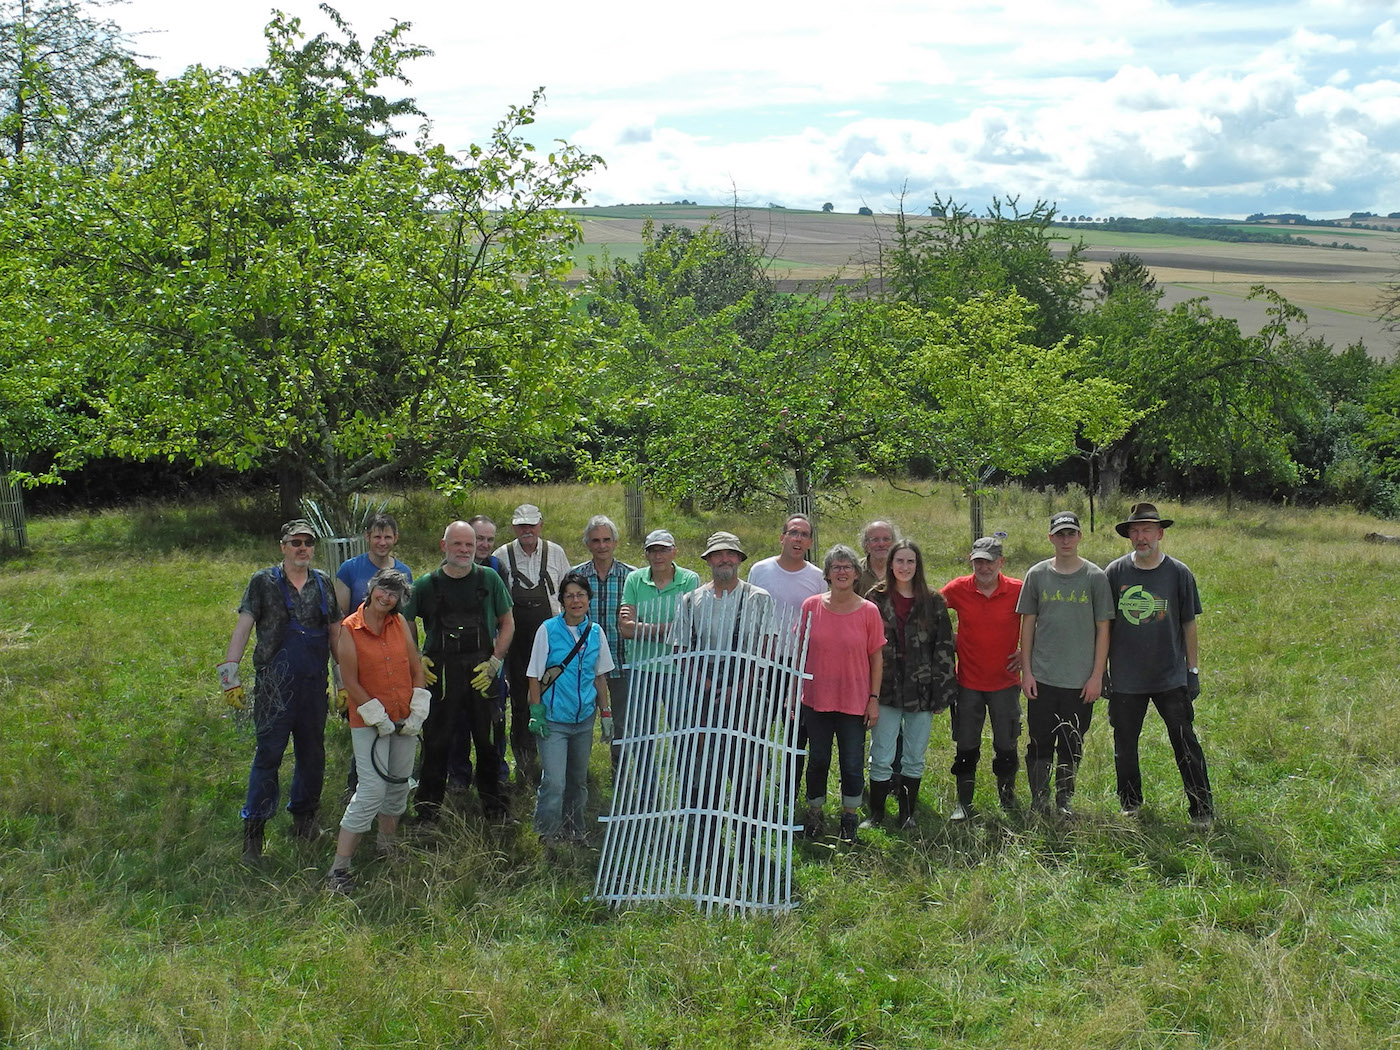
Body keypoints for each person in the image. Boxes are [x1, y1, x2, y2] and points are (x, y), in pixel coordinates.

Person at [218, 519, 342, 863]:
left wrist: (343, 682)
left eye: (308, 543)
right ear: (283, 546)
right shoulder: (263, 581)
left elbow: (336, 634)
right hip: (274, 688)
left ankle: (305, 820)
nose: (302, 548)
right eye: (295, 542)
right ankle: (253, 835)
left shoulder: (323, 583)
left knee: (312, 755)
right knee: (268, 757)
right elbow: (243, 628)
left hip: (313, 685)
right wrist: (230, 678)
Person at [1105, 503, 1214, 825]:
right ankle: (1131, 804)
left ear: (1160, 534)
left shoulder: (1179, 573)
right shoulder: (1115, 573)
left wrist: (1192, 670)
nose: (1141, 537)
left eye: (1148, 530)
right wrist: (1103, 671)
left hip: (1170, 675)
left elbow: (1189, 623)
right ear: (1129, 536)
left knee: (1185, 742)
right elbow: (1104, 624)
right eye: (1135, 531)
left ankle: (1201, 809)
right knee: (1125, 746)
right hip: (1126, 677)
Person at [326, 568, 428, 893]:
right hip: (369, 722)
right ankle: (339, 869)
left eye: (394, 593)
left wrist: (418, 708)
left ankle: (387, 846)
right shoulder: (349, 628)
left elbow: (415, 667)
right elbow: (350, 681)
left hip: (404, 719)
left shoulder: (399, 625)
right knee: (371, 791)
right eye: (383, 590)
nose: (387, 597)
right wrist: (376, 715)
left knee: (398, 785)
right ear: (371, 589)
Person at [407, 521, 515, 824]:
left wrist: (496, 661)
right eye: (458, 544)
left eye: (470, 544)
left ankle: (495, 809)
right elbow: (403, 622)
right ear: (444, 546)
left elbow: (508, 621)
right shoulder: (426, 584)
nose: (465, 550)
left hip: (482, 673)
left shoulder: (489, 579)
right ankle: (427, 813)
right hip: (440, 676)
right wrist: (416, 658)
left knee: (488, 741)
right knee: (436, 743)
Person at [1016, 512, 1113, 817]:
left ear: (1080, 536)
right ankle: (1039, 800)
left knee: (1072, 742)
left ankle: (1064, 800)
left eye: (1071, 534)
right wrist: (1027, 672)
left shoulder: (1095, 577)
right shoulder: (1037, 575)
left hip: (1080, 681)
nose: (1066, 540)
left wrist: (1097, 676)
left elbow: (1104, 630)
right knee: (1039, 742)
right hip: (1043, 677)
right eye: (1060, 535)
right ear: (1051, 538)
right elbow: (1027, 625)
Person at [863, 540, 957, 830]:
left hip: (922, 690)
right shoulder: (874, 599)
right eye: (900, 561)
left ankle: (907, 814)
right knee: (881, 755)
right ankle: (876, 815)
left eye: (910, 561)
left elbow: (944, 648)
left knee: (914, 756)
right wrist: (867, 692)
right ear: (891, 564)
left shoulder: (933, 601)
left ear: (918, 565)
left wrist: (943, 693)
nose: (905, 567)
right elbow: (865, 647)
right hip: (885, 689)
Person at [798, 544, 885, 844]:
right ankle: (815, 813)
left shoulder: (869, 611)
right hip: (816, 700)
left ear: (857, 573)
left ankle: (849, 817)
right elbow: (800, 652)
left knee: (851, 762)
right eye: (836, 567)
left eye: (847, 567)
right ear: (827, 574)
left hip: (854, 701)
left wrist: (873, 699)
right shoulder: (811, 606)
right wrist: (794, 693)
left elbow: (876, 658)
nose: (842, 572)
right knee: (818, 759)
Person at [940, 536, 1025, 819]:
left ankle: (1007, 799)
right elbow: (930, 611)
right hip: (967, 683)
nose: (984, 568)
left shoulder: (1018, 590)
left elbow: (1041, 620)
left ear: (1001, 562)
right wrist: (950, 639)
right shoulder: (958, 588)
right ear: (971, 561)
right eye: (978, 562)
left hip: (1006, 683)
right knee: (966, 745)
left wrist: (1026, 651)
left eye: (989, 562)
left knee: (1006, 744)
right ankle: (964, 803)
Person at [527, 572, 614, 846]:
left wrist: (605, 713)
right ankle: (548, 832)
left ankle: (574, 830)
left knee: (577, 780)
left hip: (584, 719)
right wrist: (537, 712)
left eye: (581, 595)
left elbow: (599, 677)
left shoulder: (596, 633)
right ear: (562, 601)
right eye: (570, 596)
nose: (576, 601)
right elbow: (534, 675)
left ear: (589, 598)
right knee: (555, 781)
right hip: (553, 719)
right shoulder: (548, 630)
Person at [493, 503, 572, 786]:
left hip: (552, 640)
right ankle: (525, 763)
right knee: (520, 701)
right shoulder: (501, 556)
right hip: (516, 642)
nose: (527, 530)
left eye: (531, 524)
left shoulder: (556, 552)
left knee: (556, 697)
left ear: (541, 525)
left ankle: (558, 760)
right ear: (514, 527)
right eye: (521, 525)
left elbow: (569, 594)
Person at [447, 513, 508, 794]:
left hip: (489, 656)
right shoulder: (446, 570)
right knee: (457, 718)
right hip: (454, 659)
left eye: (489, 540)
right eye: (478, 538)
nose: (483, 545)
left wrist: (496, 658)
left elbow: (506, 616)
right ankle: (459, 775)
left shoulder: (497, 569)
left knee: (495, 717)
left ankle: (496, 773)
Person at [571, 514, 636, 778]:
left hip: (621, 659)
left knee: (622, 721)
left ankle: (619, 773)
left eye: (607, 540)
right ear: (587, 543)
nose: (602, 546)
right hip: (585, 663)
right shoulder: (576, 576)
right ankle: (579, 772)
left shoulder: (631, 576)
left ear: (616, 542)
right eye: (596, 540)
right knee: (580, 717)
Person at [619, 529, 701, 671]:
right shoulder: (634, 579)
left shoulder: (689, 579)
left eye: (663, 550)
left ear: (674, 552)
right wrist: (668, 630)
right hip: (639, 666)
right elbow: (626, 630)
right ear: (646, 554)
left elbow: (688, 629)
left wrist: (640, 629)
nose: (658, 556)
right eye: (652, 551)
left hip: (677, 668)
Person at [332, 512, 413, 617]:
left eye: (387, 537)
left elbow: (407, 615)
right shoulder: (348, 569)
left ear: (395, 538)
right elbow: (340, 617)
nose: (382, 543)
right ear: (367, 537)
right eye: (377, 537)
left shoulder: (404, 572)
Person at [747, 515, 826, 615]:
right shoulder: (759, 570)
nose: (798, 539)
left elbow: (820, 616)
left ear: (810, 543)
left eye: (804, 534)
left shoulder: (818, 577)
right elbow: (748, 611)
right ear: (782, 538)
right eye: (793, 533)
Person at [856, 520, 897, 596]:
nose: (881, 544)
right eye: (875, 540)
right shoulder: (854, 570)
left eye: (886, 539)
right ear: (866, 544)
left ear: (894, 543)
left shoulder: (903, 569)